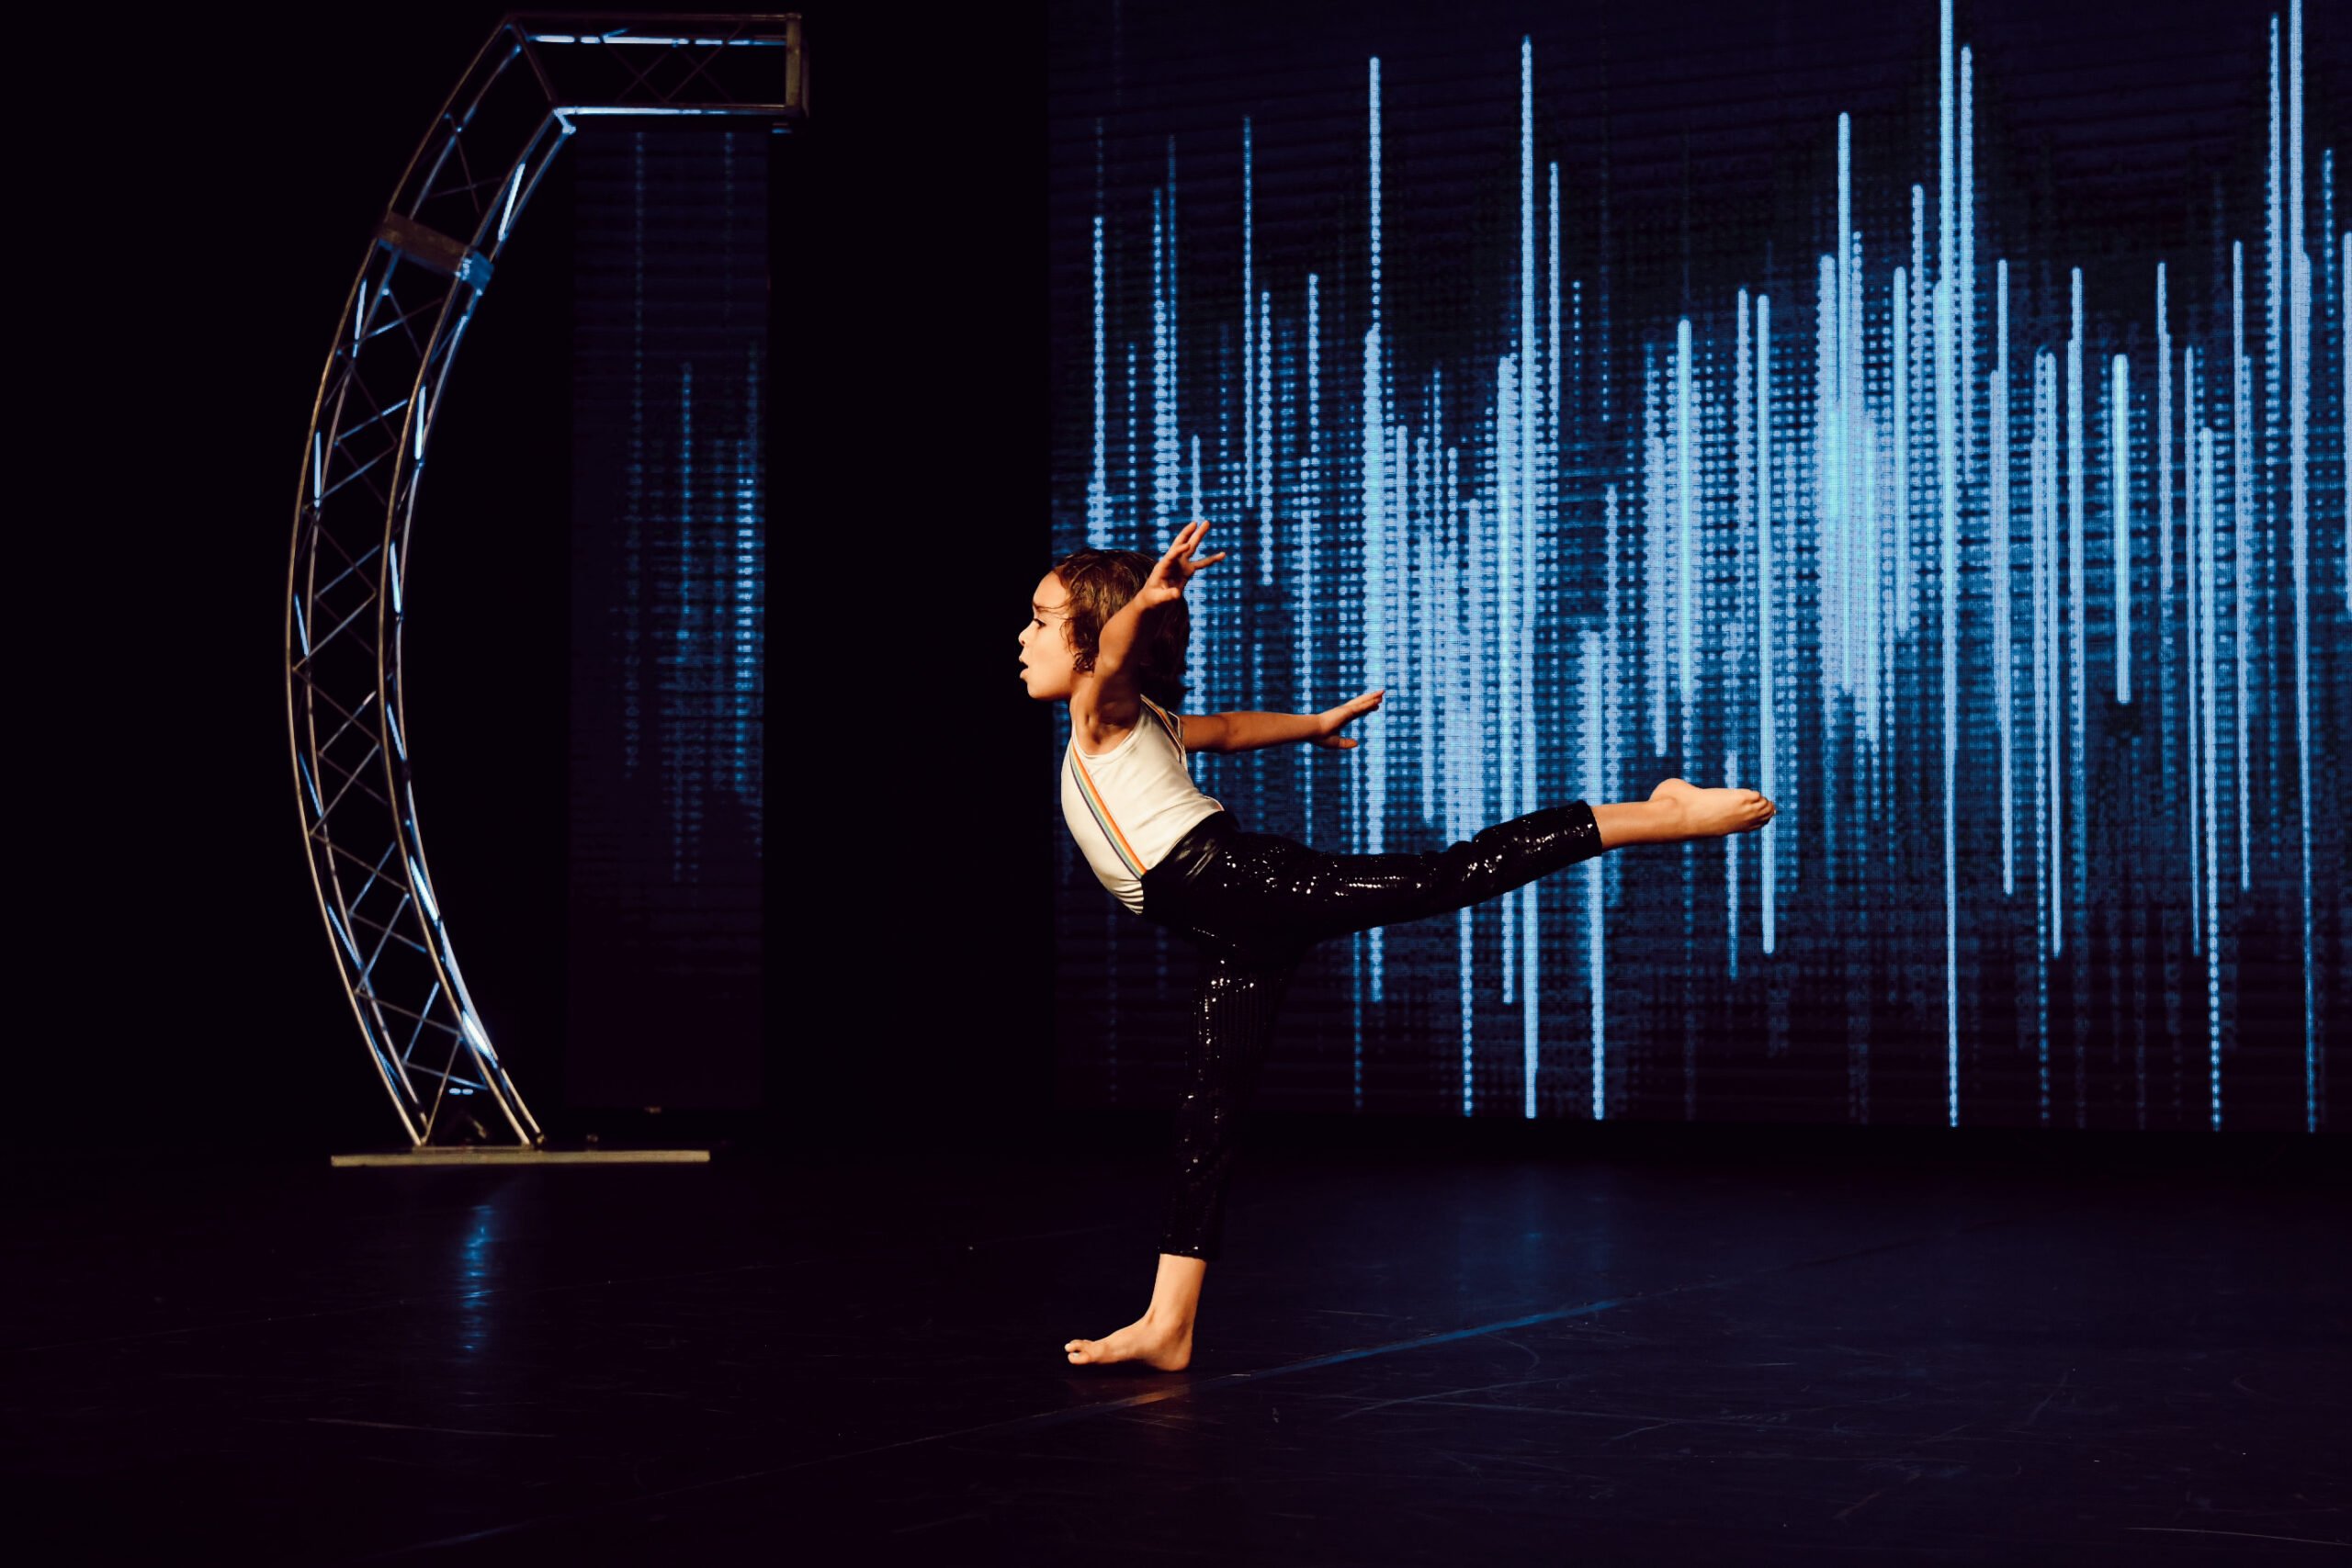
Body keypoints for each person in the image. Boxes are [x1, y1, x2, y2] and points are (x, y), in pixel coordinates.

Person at [1022, 520, 1775, 1370]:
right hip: (1229, 924)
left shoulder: (1101, 708)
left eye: (1043, 620)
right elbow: (1225, 729)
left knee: (1443, 876)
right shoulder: (1141, 719)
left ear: (1092, 644)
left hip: (1243, 883)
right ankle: (1169, 1323)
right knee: (1209, 1109)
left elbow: (1117, 653)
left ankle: (1662, 813)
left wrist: (1144, 606)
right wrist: (1311, 725)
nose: (1024, 636)